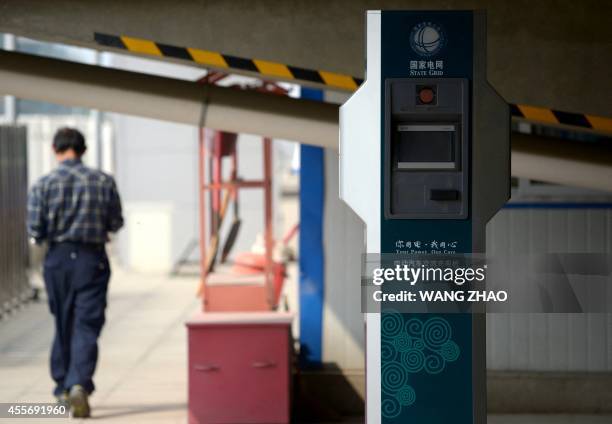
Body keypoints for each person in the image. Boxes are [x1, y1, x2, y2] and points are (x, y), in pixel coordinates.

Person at [27, 127, 124, 418]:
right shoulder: (103, 181)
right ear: (83, 150)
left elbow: (35, 228)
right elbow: (116, 222)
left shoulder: (43, 184)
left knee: (63, 321)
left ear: (55, 150)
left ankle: (62, 387)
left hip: (57, 260)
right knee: (86, 324)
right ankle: (79, 382)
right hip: (91, 258)